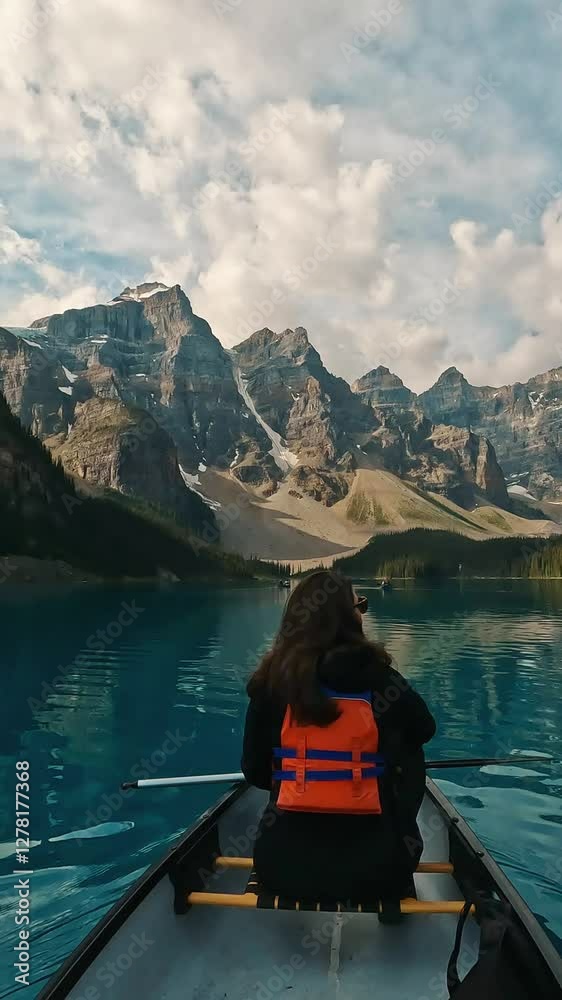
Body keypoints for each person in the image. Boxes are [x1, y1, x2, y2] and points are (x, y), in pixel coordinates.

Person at [241, 570, 436, 905]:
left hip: (282, 868)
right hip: (380, 871)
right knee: (411, 750)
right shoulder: (380, 677)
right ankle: (394, 835)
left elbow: (256, 773)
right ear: (350, 618)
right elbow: (425, 729)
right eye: (361, 604)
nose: (363, 611)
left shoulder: (271, 682)